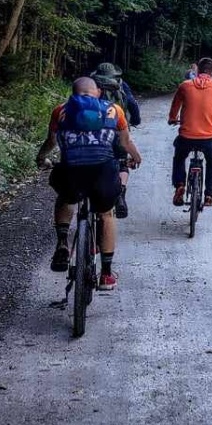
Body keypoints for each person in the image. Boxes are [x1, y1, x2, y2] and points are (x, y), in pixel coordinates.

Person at [36, 77, 141, 291]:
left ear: (72, 94)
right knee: (106, 214)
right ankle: (106, 275)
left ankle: (63, 242)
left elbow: (52, 141)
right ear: (98, 93)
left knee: (65, 197)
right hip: (102, 172)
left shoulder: (60, 111)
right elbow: (124, 142)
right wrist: (136, 157)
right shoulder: (115, 110)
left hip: (70, 172)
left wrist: (41, 157)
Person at [167, 56, 212, 208]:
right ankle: (209, 194)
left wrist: (172, 118)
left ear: (197, 70)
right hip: (208, 138)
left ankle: (180, 185)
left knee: (180, 157)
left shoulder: (185, 86)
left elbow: (175, 105)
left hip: (186, 136)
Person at [91, 62, 141, 217]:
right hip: (117, 129)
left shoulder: (90, 84)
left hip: (92, 131)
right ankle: (121, 193)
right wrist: (136, 120)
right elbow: (132, 103)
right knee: (122, 162)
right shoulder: (120, 85)